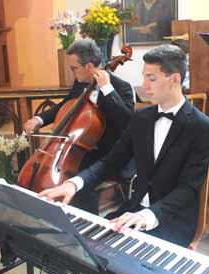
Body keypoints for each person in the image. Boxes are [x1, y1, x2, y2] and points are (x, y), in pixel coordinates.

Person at [39, 44, 209, 274]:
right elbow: (110, 161)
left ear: (175, 80)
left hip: (170, 221)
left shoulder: (202, 127)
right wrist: (74, 183)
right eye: (143, 76)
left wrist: (147, 217)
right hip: (132, 214)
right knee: (83, 268)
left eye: (152, 78)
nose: (143, 84)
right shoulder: (142, 118)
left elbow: (188, 189)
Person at [23, 39, 134, 213]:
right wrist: (39, 119)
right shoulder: (80, 83)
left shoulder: (122, 88)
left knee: (80, 180)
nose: (72, 72)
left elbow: (126, 123)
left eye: (74, 68)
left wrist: (107, 89)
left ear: (89, 66)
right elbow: (66, 106)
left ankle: (87, 226)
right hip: (79, 148)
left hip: (109, 154)